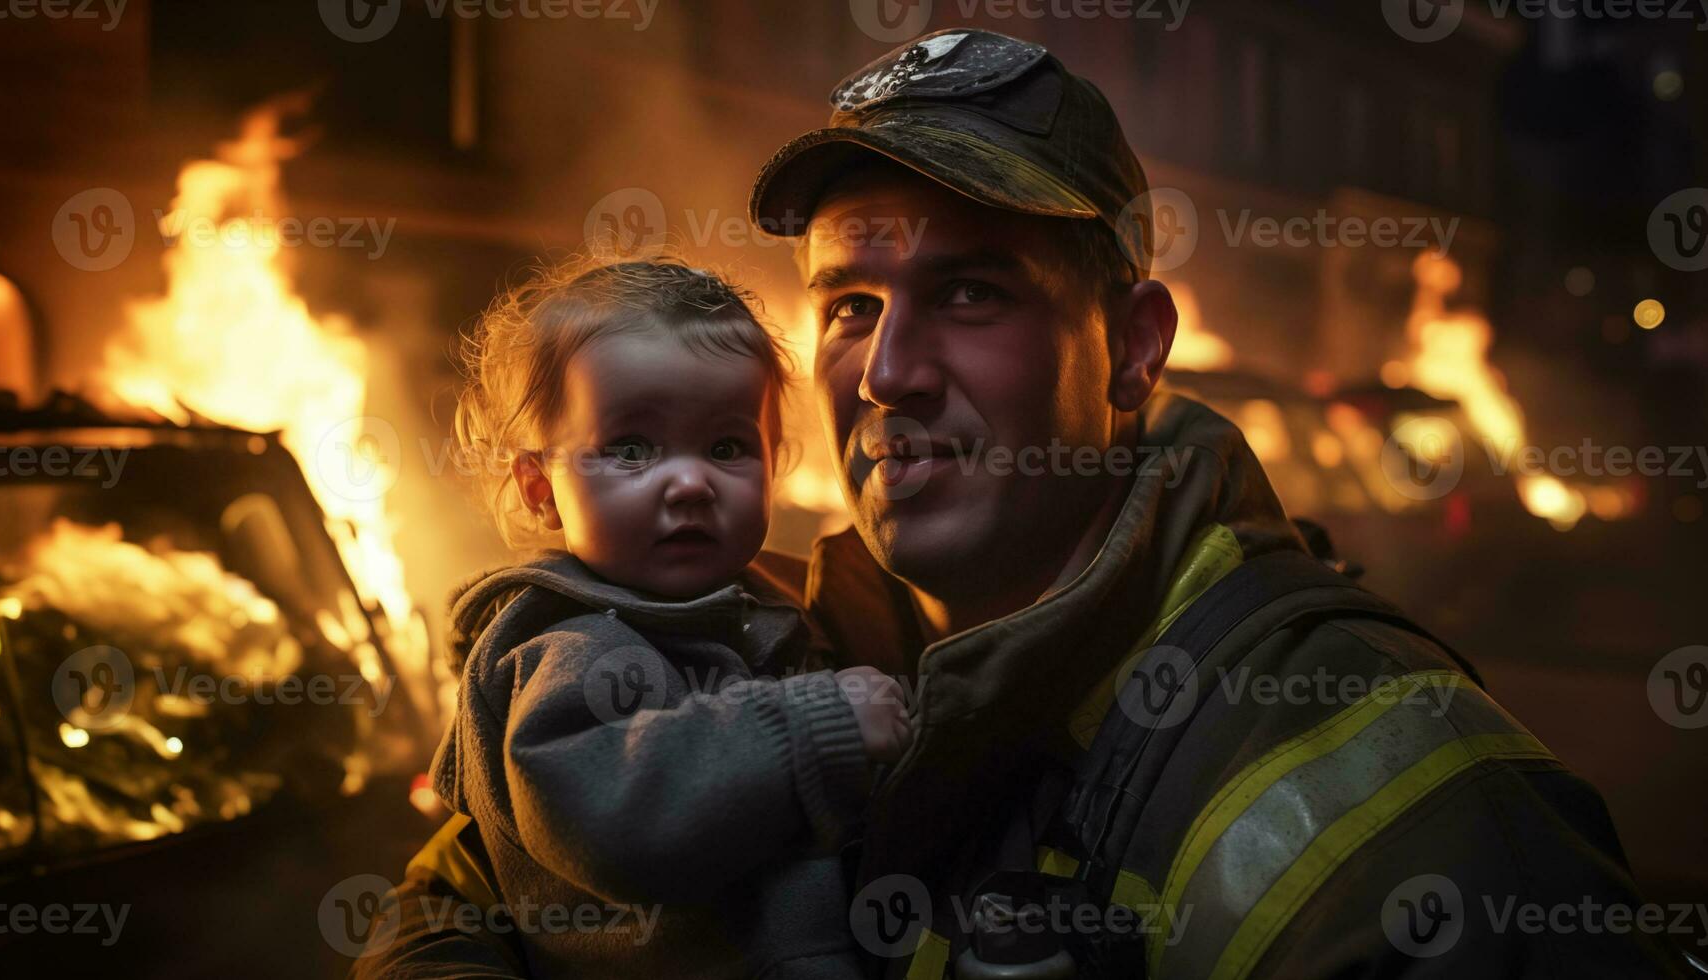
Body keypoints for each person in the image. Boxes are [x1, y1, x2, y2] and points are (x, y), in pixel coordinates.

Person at [355, 30, 1686, 979]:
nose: (886, 373)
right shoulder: (783, 645)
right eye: (851, 308)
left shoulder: (1407, 794)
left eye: (972, 295)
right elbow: (478, 888)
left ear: (1133, 347)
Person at [408, 258, 909, 979]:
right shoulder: (569, 644)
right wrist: (815, 725)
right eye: (632, 448)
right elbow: (612, 821)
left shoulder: (766, 613)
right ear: (538, 488)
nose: (689, 482)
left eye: (728, 447)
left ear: (776, 462)